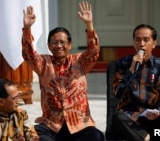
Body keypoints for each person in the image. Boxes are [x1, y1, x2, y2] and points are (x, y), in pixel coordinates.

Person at [21, 1, 104, 141]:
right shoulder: (43, 63)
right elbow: (28, 54)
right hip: (52, 125)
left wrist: (89, 25)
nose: (58, 46)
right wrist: (27, 28)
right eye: (54, 42)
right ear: (48, 45)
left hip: (79, 125)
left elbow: (94, 52)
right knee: (33, 135)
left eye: (62, 42)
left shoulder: (80, 61)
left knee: (96, 136)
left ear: (70, 45)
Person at [110, 24, 160, 141]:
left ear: (154, 43)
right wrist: (131, 69)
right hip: (129, 117)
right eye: (138, 39)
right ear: (133, 42)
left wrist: (158, 112)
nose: (142, 44)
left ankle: (140, 136)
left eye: (146, 40)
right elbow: (117, 93)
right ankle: (145, 137)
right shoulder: (121, 64)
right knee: (117, 117)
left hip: (151, 117)